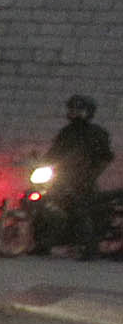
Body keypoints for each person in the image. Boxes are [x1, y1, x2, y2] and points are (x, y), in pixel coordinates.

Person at [56, 94, 117, 255]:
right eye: (72, 108)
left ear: (88, 112)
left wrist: (90, 174)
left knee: (80, 207)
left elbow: (105, 157)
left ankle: (90, 247)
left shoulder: (96, 133)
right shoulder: (66, 132)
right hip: (63, 177)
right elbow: (53, 154)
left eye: (79, 109)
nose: (74, 112)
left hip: (84, 179)